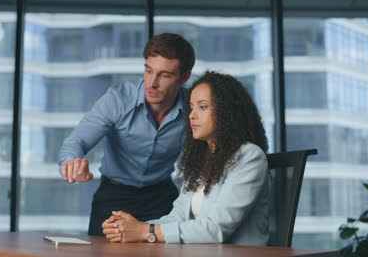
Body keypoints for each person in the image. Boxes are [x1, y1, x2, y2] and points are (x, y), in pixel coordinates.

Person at [102, 71, 269, 245]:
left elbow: (216, 230)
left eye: (203, 107)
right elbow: (177, 217)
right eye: (191, 107)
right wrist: (130, 228)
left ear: (227, 112)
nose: (191, 115)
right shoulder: (203, 161)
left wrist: (146, 231)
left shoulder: (249, 157)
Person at [58, 33, 195, 236]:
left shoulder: (193, 108)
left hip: (161, 196)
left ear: (184, 77)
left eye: (165, 75)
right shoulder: (118, 99)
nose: (152, 83)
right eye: (148, 71)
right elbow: (77, 140)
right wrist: (72, 162)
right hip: (114, 195)